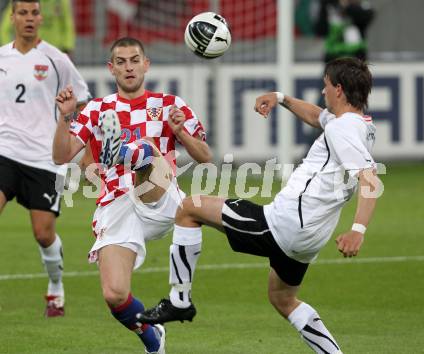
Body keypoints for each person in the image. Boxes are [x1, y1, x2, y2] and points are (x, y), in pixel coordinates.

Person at [137, 57, 382, 354]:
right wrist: (280, 98)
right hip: (310, 238)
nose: (322, 92)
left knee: (189, 208)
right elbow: (319, 116)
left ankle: (179, 301)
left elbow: (369, 179)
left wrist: (358, 229)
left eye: (326, 86)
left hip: (284, 224)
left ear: (339, 90)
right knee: (283, 299)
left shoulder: (342, 130)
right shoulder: (358, 126)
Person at [52, 36, 212, 353]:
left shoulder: (170, 105)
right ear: (111, 68)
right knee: (114, 294)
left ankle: (130, 152)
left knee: (150, 152)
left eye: (134, 60)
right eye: (121, 61)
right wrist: (64, 117)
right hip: (117, 204)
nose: (129, 67)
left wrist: (179, 133)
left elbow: (205, 155)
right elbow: (61, 156)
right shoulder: (96, 109)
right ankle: (153, 338)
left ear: (146, 64)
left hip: (159, 194)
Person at [0, 0, 90, 317]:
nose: (28, 18)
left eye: (34, 13)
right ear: (12, 17)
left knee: (43, 233)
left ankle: (55, 285)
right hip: (5, 152)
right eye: (22, 13)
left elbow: (82, 100)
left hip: (44, 158)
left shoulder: (57, 59)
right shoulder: (1, 57)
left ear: (41, 18)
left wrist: (77, 143)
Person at [0, 0, 76, 55]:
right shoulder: (21, 2)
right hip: (29, 52)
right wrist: (9, 51)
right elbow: (5, 28)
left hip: (55, 51)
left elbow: (68, 24)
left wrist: (67, 47)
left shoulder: (60, 2)